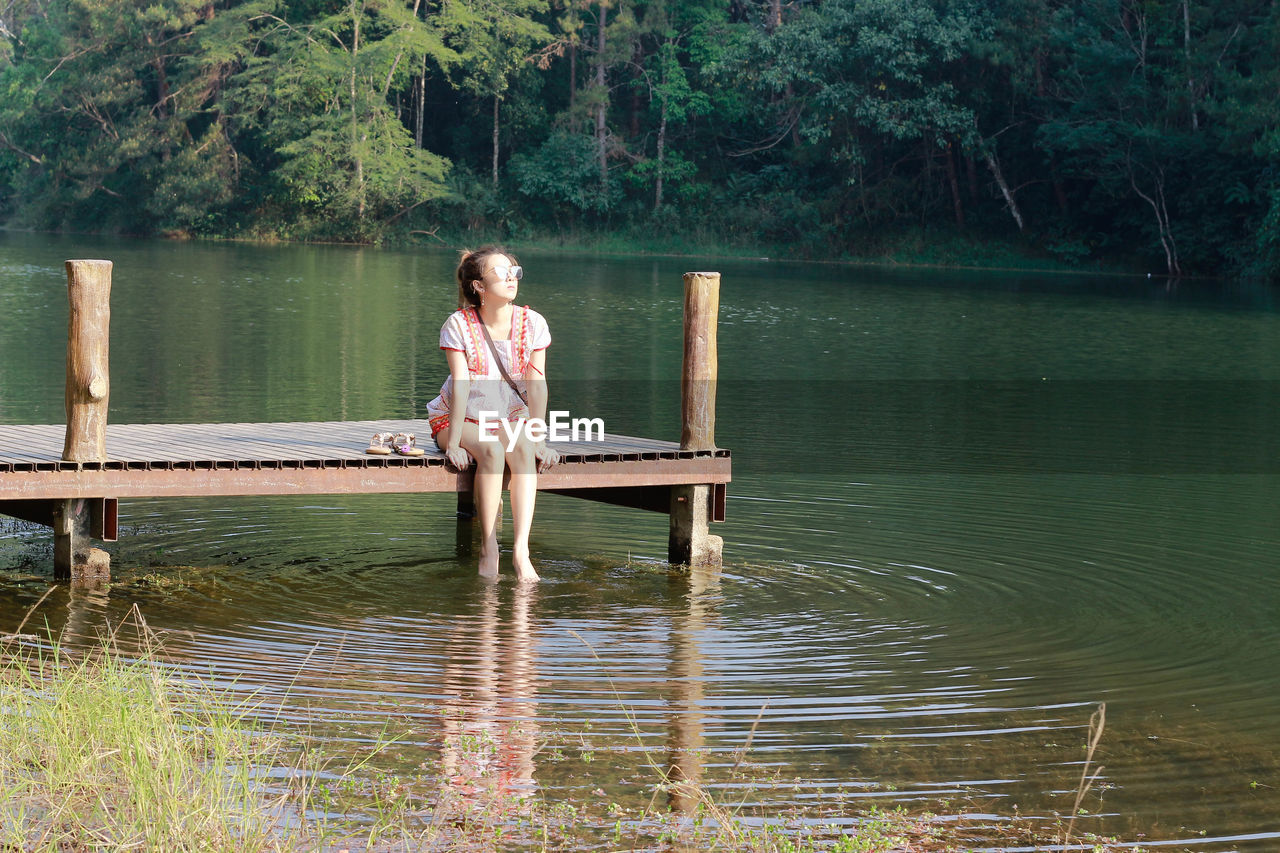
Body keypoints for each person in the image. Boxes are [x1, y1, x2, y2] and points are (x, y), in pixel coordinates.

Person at [426, 247, 559, 582]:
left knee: (525, 450)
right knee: (491, 449)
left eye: (514, 271)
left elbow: (537, 386)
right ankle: (488, 547)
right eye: (501, 273)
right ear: (479, 287)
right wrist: (453, 444)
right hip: (459, 417)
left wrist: (540, 439)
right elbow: (461, 386)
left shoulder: (533, 323)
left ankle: (521, 551)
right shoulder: (459, 324)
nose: (511, 278)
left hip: (509, 414)